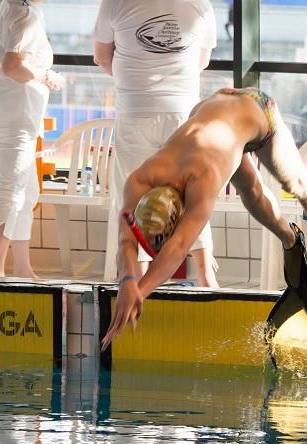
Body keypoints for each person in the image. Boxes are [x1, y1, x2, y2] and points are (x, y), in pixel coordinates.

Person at [101, 87, 307, 350]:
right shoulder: (140, 178)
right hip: (214, 111)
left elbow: (179, 246)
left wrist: (140, 290)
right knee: (251, 192)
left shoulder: (202, 179)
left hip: (258, 110)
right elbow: (126, 239)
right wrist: (127, 281)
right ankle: (291, 239)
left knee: (295, 183)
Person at [93, 0, 219, 287]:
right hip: (182, 111)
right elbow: (202, 62)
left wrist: (137, 77)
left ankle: (137, 280)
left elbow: (102, 57)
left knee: (132, 194)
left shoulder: (116, 2)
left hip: (135, 109)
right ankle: (205, 276)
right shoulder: (200, 4)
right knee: (193, 191)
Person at [0, 0, 64, 278]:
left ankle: (24, 269)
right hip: (16, 116)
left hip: (3, 112)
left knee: (26, 192)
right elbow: (13, 66)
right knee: (12, 192)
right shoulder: (26, 15)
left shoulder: (4, 8)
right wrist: (46, 76)